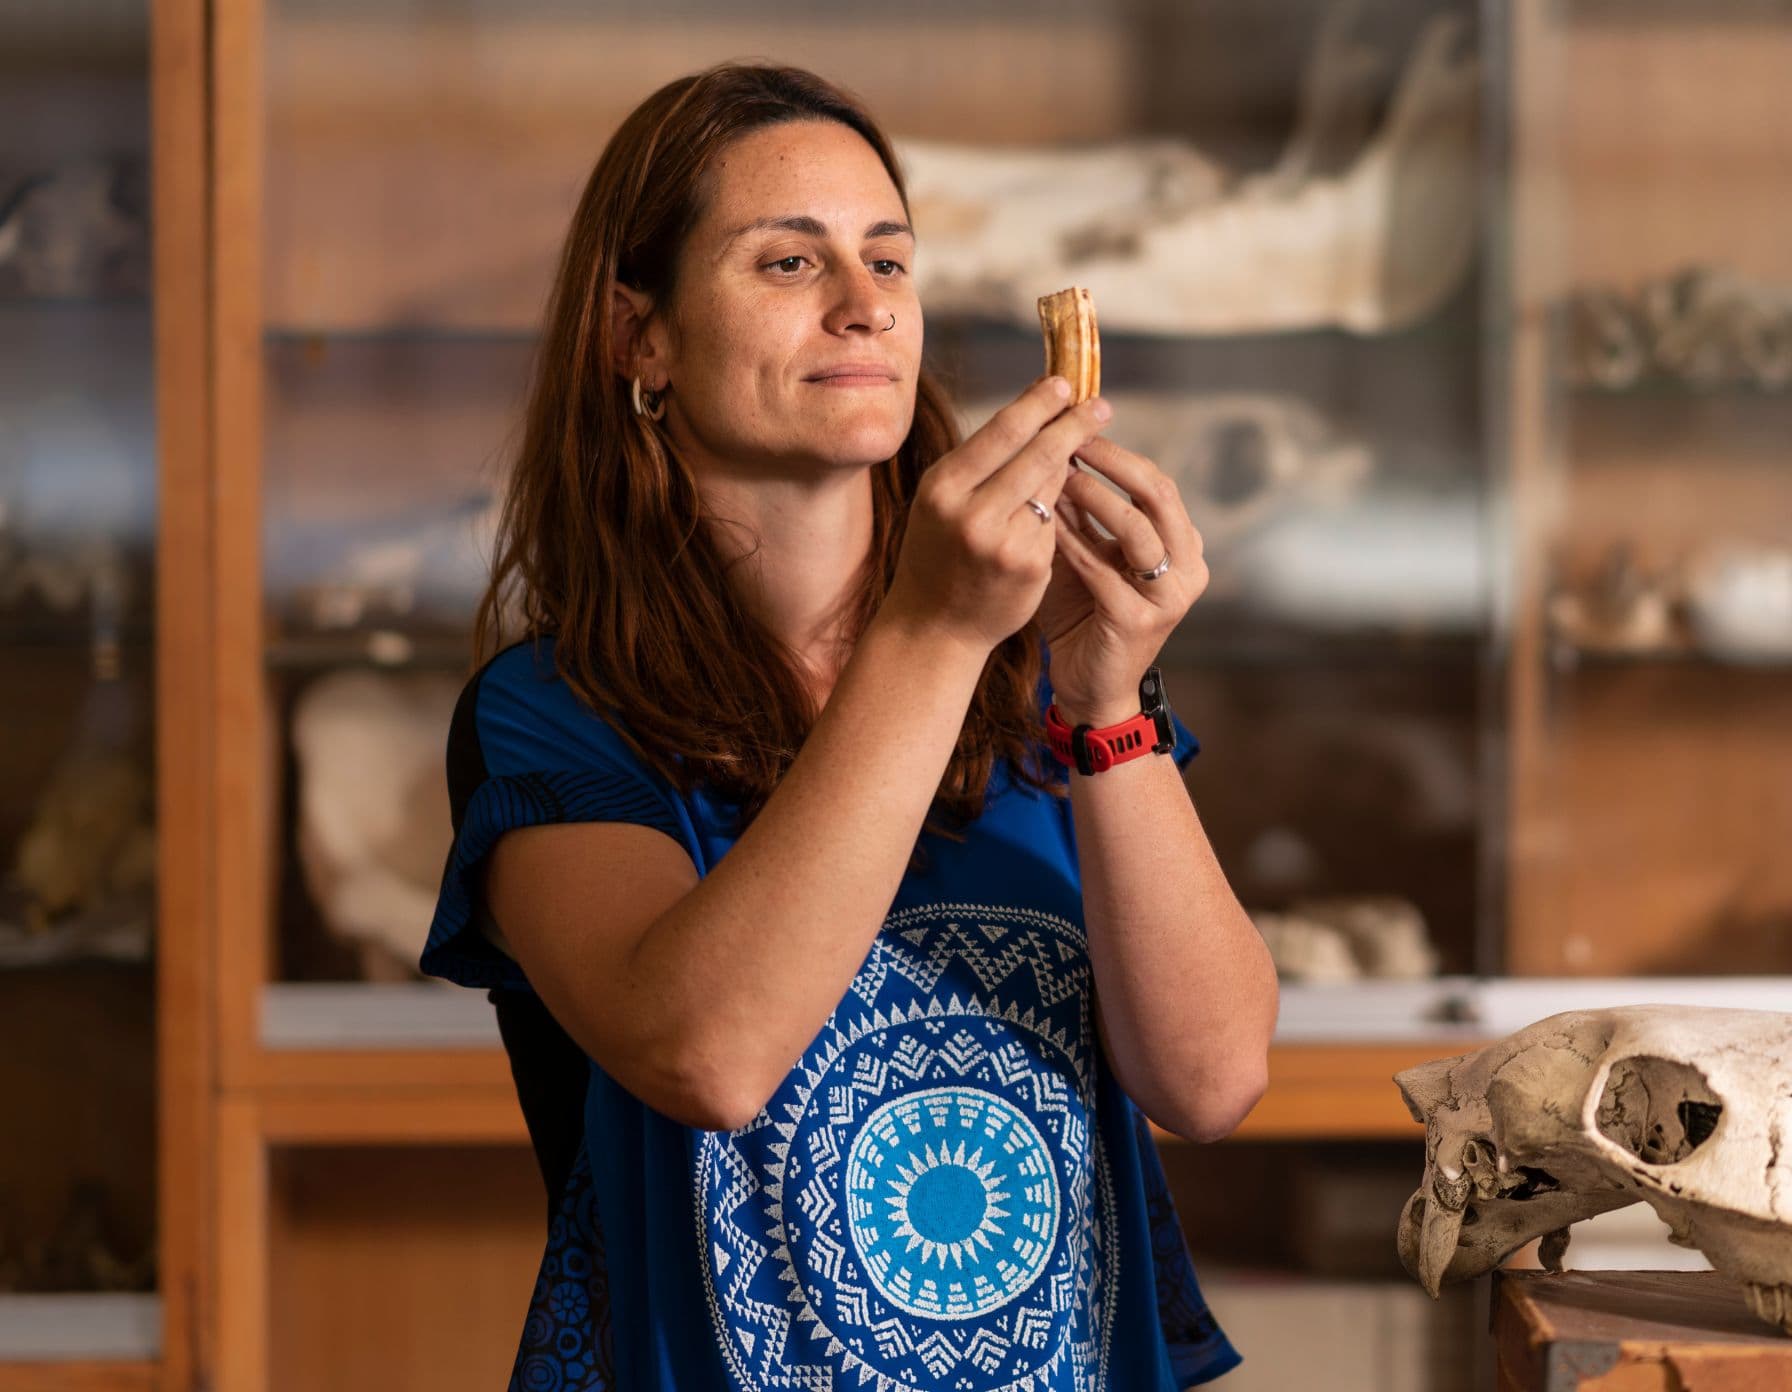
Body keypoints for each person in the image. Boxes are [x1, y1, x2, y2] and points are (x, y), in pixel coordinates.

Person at [421, 60, 1278, 1392]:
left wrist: (1108, 701)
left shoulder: (1039, 675)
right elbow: (704, 1051)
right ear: (637, 336)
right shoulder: (554, 715)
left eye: (890, 259)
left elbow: (1214, 1078)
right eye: (785, 263)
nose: (866, 301)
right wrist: (935, 636)